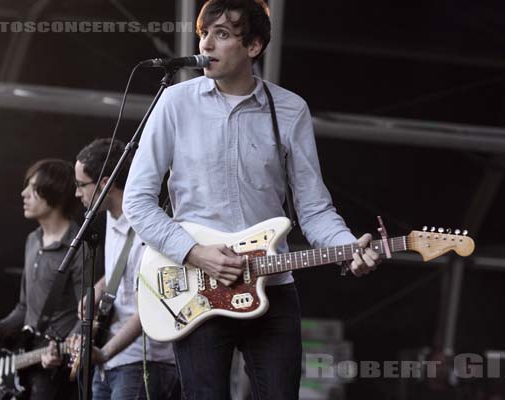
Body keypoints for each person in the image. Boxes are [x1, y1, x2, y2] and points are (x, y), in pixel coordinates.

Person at [122, 0, 382, 398]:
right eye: (204, 33)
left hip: (273, 284)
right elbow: (137, 200)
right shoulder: (175, 103)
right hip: (196, 287)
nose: (207, 43)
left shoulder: (291, 110)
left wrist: (349, 249)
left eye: (222, 34)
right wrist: (194, 252)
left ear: (254, 47)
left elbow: (313, 209)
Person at [72, 138, 177, 399]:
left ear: (105, 184)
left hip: (143, 361)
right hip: (112, 360)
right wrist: (98, 288)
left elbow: (149, 309)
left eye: (81, 185)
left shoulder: (147, 228)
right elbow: (126, 270)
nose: (77, 193)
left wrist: (105, 352)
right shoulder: (111, 215)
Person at [0, 159, 84, 400]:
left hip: (57, 370)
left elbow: (88, 313)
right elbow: (25, 308)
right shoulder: (32, 240)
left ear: (55, 193)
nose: (24, 194)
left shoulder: (79, 247)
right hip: (26, 360)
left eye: (33, 188)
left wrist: (63, 348)